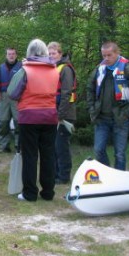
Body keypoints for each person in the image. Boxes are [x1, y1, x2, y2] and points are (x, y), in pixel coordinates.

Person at [8, 39, 59, 202]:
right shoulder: (55, 70)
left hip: (29, 116)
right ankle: (48, 192)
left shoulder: (25, 70)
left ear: (29, 52)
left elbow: (12, 93)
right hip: (50, 116)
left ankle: (30, 193)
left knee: (30, 156)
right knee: (48, 155)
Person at [86, 41, 129, 171]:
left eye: (109, 55)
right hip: (101, 118)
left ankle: (120, 182)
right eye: (104, 55)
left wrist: (127, 113)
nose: (106, 59)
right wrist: (92, 109)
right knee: (98, 150)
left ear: (117, 53)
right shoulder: (99, 70)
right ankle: (108, 174)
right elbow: (89, 89)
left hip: (120, 118)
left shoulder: (127, 69)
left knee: (119, 154)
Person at [48, 42, 77, 184]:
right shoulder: (52, 68)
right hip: (53, 114)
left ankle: (64, 176)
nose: (51, 56)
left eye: (53, 53)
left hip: (65, 115)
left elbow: (66, 93)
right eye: (49, 54)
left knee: (61, 146)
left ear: (60, 53)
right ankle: (55, 174)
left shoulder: (65, 69)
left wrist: (60, 115)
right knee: (53, 146)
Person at [0, 47, 22, 152]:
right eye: (9, 54)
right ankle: (4, 146)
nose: (11, 56)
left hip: (17, 97)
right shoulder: (0, 68)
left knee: (19, 122)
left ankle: (19, 145)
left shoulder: (22, 67)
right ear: (6, 55)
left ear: (16, 55)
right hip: (4, 97)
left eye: (13, 54)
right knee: (3, 122)